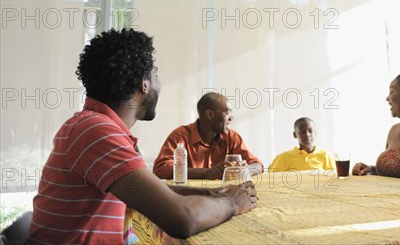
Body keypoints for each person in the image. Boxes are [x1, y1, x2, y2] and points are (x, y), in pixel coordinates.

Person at [28, 29, 257, 244]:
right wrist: (233, 202)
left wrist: (212, 193)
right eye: (156, 76)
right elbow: (183, 219)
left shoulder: (93, 126)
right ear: (144, 84)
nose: (159, 84)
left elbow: (154, 189)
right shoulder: (97, 132)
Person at [153, 92, 264, 180]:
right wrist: (208, 173)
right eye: (227, 113)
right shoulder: (180, 136)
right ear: (210, 114)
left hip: (223, 196)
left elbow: (258, 165)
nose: (231, 118)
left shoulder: (232, 137)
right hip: (190, 198)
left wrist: (244, 170)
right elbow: (160, 169)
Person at [269, 117, 335, 171]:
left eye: (310, 131)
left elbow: (335, 180)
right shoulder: (283, 157)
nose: (307, 134)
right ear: (295, 134)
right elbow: (271, 180)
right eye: (303, 132)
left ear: (315, 133)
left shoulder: (326, 155)